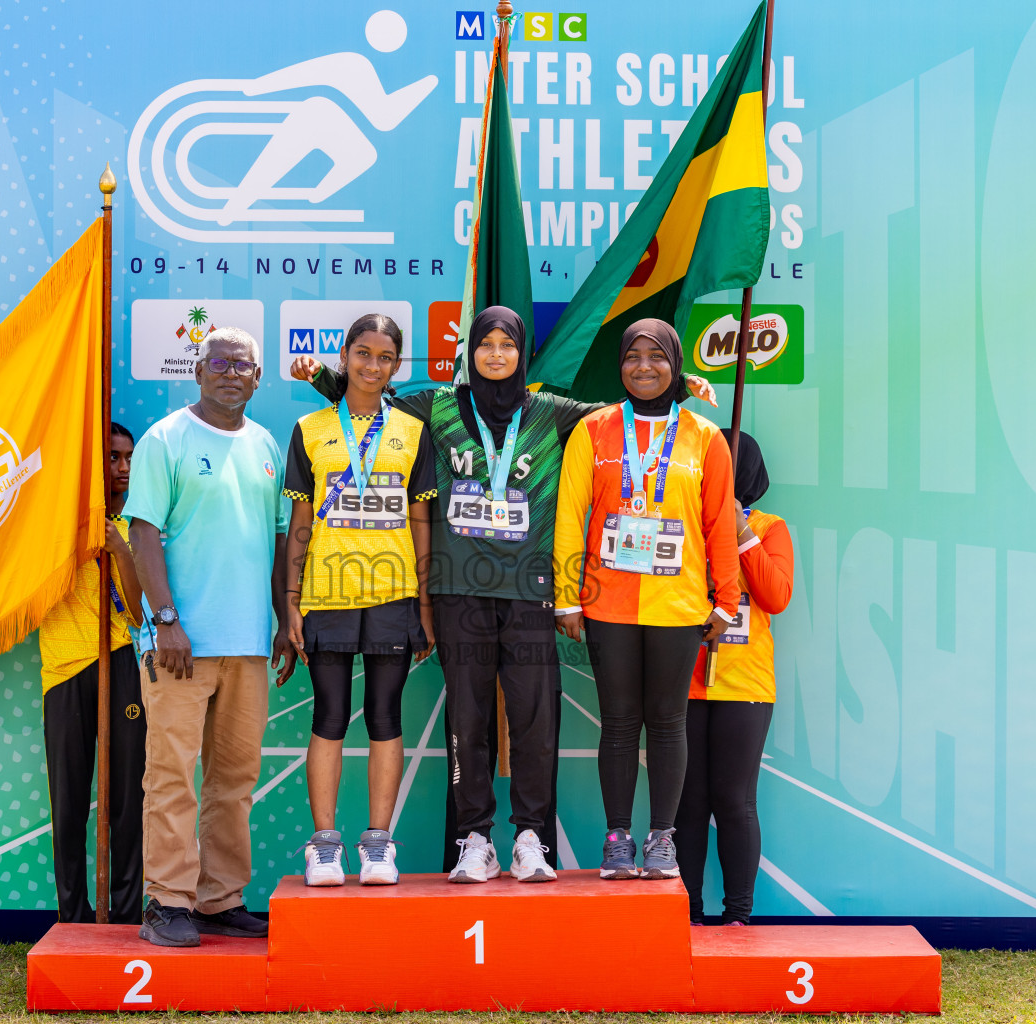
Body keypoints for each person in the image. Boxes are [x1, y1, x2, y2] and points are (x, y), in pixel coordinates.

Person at [291, 307, 717, 883]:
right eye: (485, 344)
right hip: (459, 590)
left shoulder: (549, 411)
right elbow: (372, 397)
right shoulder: (437, 406)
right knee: (467, 720)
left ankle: (531, 840)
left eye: (507, 345)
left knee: (535, 722)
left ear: (523, 351)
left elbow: (629, 412)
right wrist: (322, 379)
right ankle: (474, 840)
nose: (496, 354)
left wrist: (681, 388)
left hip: (529, 592)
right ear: (471, 351)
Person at [125, 327, 297, 948]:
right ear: (198, 372)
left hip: (249, 642)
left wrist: (285, 620)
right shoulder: (165, 439)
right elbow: (142, 532)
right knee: (171, 773)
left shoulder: (266, 445)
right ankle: (167, 902)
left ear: (257, 378)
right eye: (218, 362)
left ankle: (220, 898)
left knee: (234, 778)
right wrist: (164, 619)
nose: (231, 373)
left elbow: (279, 540)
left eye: (243, 365)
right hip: (180, 643)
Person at [553, 319, 740, 881]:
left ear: (675, 365)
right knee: (618, 722)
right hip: (607, 603)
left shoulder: (705, 438)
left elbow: (720, 524)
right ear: (620, 364)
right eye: (632, 356)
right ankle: (617, 840)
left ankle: (662, 839)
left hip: (678, 605)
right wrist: (566, 597)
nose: (643, 366)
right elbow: (570, 514)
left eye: (656, 356)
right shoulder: (594, 429)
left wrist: (726, 598)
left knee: (666, 722)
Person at [283, 313, 437, 886]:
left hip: (394, 592)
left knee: (384, 716)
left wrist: (424, 604)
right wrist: (292, 600)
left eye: (385, 358)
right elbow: (300, 520)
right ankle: (325, 845)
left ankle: (378, 844)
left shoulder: (413, 431)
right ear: (345, 355)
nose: (373, 366)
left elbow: (421, 519)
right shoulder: (310, 428)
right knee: (328, 718)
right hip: (326, 592)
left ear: (397, 366)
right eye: (363, 354)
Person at [677, 431, 792, 925]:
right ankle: (687, 914)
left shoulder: (770, 527)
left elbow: (776, 596)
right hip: (682, 681)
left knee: (734, 797)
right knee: (688, 801)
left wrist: (740, 533)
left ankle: (739, 916)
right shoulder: (684, 522)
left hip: (744, 687)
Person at [39, 422, 145, 924]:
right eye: (112, 458)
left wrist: (117, 546)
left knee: (127, 797)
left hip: (123, 661)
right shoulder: (53, 524)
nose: (122, 469)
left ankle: (124, 913)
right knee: (70, 799)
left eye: (128, 459)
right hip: (64, 668)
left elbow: (142, 611)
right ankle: (72, 916)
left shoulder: (138, 527)